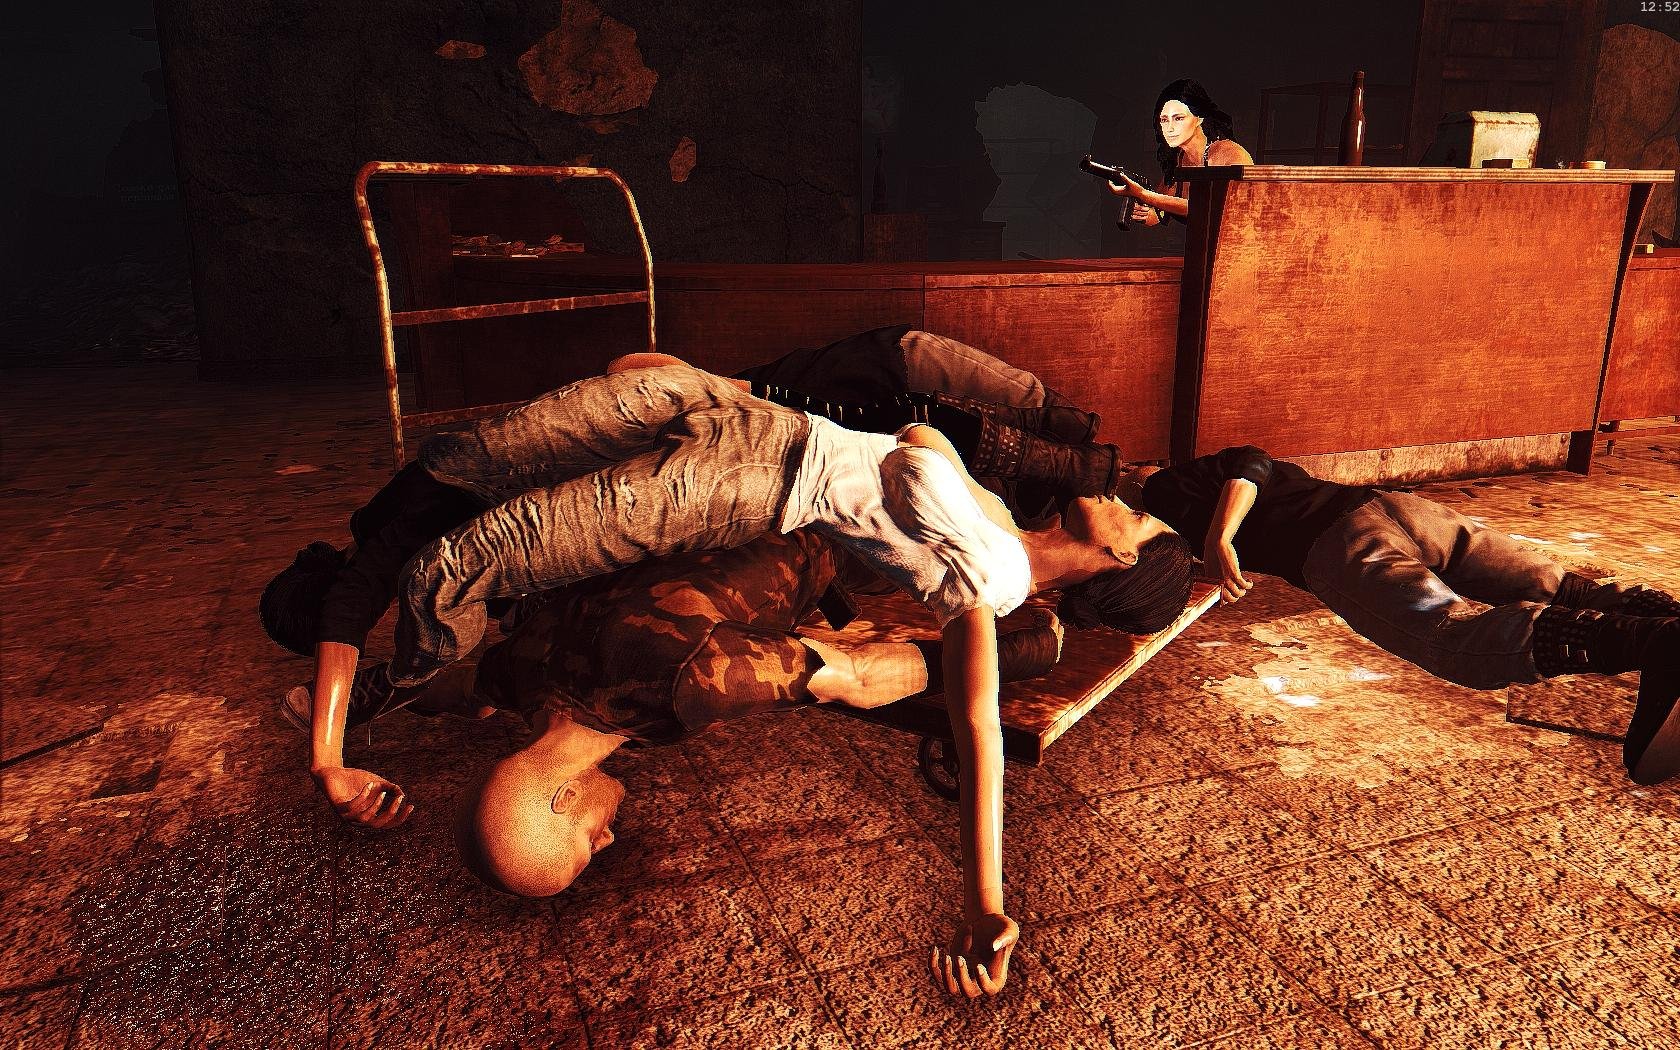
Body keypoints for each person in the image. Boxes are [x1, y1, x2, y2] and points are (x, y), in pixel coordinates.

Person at [304, 356, 1191, 1000]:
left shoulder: (692, 681)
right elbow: (456, 687)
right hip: (754, 463)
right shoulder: (521, 670)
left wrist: (984, 896)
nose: (605, 843)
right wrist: (354, 714)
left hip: (793, 512)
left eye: (584, 845)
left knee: (1003, 645)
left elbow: (869, 678)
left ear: (564, 797)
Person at [1118, 446, 1680, 785]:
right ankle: (1665, 620)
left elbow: (1252, 462)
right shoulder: (1175, 510)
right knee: (1553, 585)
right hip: (1398, 509)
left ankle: (1654, 643)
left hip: (1338, 545)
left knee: (1453, 640)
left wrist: (1219, 536)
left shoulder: (1161, 488)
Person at [1105, 78, 1254, 228]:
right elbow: (1159, 213)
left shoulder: (1231, 155)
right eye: (1164, 120)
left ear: (1199, 118)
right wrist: (1144, 211)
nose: (1169, 128)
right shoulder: (1178, 159)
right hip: (1200, 240)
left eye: (1178, 118)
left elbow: (1213, 209)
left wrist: (1144, 194)